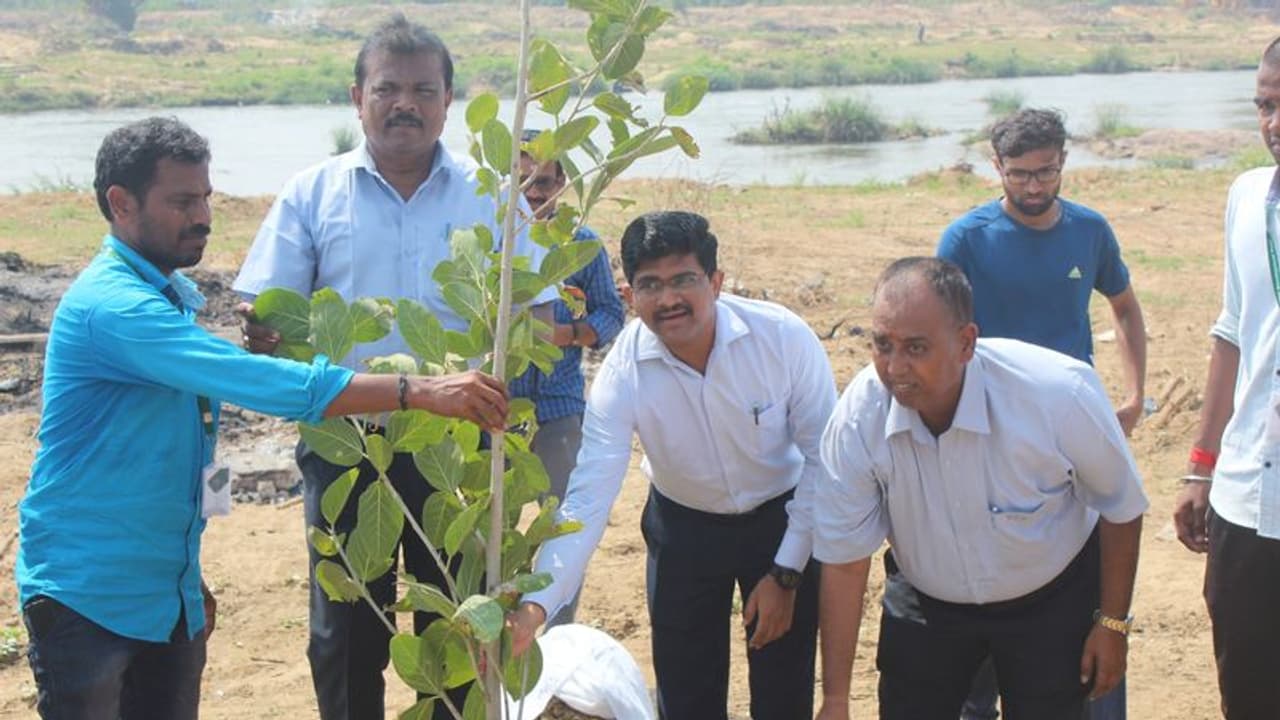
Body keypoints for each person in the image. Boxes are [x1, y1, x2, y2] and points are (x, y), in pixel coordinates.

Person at [15, 116, 510, 720]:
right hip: (88, 596)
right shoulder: (114, 307)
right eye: (182, 202)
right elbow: (259, 381)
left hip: (161, 593)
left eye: (206, 197)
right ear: (121, 204)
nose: (203, 216)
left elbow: (172, 454)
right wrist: (420, 390)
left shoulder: (167, 297)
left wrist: (182, 582)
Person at [230, 16, 557, 720]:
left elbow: (538, 311)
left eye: (422, 90)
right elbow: (270, 317)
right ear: (357, 98)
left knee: (462, 625)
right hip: (348, 443)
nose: (404, 104)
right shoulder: (311, 193)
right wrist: (268, 331)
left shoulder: (492, 196)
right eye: (387, 89)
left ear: (448, 100)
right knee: (345, 633)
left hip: (459, 449)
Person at [509, 210, 834, 720]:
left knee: (783, 692)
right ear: (628, 294)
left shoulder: (781, 338)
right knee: (686, 696)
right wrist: (536, 605)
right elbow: (588, 497)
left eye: (684, 280)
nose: (668, 300)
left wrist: (787, 572)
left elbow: (823, 463)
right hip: (684, 531)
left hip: (781, 522)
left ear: (716, 282)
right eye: (650, 285)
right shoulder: (623, 373)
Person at [815, 257, 1147, 720]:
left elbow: (1121, 507)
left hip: (1049, 600)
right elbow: (845, 561)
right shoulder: (858, 417)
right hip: (928, 599)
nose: (894, 367)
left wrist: (1111, 624)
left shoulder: (1057, 394)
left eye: (916, 347)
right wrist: (835, 699)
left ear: (967, 343)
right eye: (882, 344)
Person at [937, 107, 1147, 720]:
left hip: (1074, 427)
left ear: (1063, 164)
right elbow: (941, 328)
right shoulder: (965, 239)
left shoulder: (1090, 230)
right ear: (996, 167)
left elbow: (1125, 306)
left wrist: (1135, 395)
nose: (1034, 186)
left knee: (1091, 569)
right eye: (1021, 174)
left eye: (1047, 172)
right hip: (989, 428)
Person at [1173, 37, 1280, 719]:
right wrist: (1200, 467)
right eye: (1265, 105)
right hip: (1248, 494)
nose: (1274, 123)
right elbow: (1233, 332)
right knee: (1248, 687)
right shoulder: (1246, 197)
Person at [507, 129, 625, 627]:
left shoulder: (581, 246)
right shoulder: (493, 244)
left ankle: (555, 637)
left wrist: (567, 334)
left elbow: (611, 315)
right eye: (522, 181)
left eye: (543, 182)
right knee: (492, 530)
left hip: (559, 408)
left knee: (562, 529)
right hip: (496, 411)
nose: (533, 193)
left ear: (562, 184)